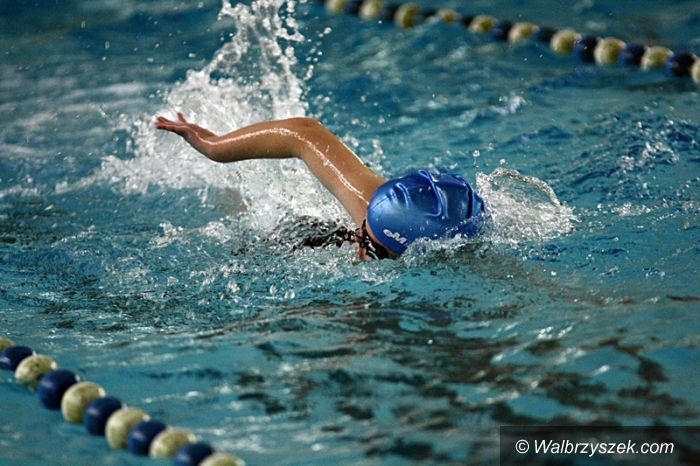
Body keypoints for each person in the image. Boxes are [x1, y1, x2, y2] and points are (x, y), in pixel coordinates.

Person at [156, 114, 487, 260]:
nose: (357, 245)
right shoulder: (378, 205)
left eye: (370, 248)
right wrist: (212, 146)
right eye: (363, 231)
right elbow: (304, 133)